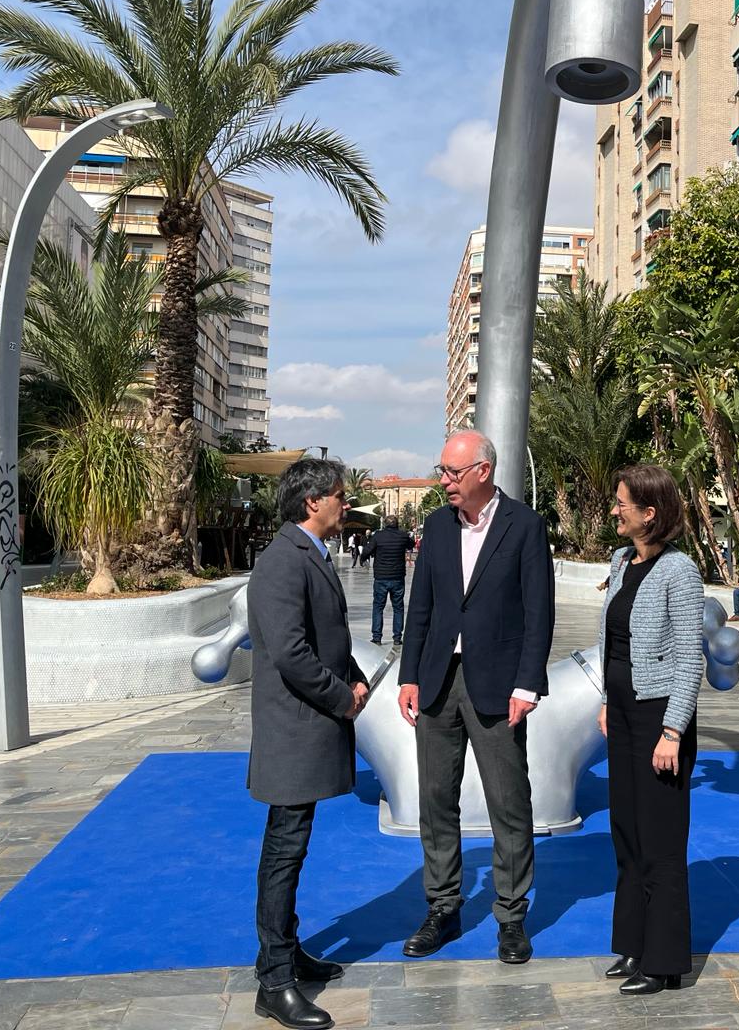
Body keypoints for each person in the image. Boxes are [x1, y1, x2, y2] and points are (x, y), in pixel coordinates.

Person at [398, 430, 554, 964]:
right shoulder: (437, 526)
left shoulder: (526, 526)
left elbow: (539, 613)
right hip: (438, 683)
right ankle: (442, 907)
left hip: (499, 687)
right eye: (441, 471)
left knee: (508, 803)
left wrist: (527, 684)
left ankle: (511, 916)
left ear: (483, 471)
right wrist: (409, 675)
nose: (443, 481)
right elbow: (422, 607)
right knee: (435, 799)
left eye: (452, 473)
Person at [245, 458, 369, 1030]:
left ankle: (288, 951)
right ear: (311, 502)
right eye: (340, 497)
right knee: (284, 849)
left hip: (309, 726)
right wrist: (343, 697)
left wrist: (356, 674)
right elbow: (292, 654)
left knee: (294, 844)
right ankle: (274, 981)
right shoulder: (280, 562)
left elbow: (329, 635)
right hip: (294, 729)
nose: (346, 504)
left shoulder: (310, 554)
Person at [598, 463, 705, 995]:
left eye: (622, 503)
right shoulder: (622, 562)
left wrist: (672, 731)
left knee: (660, 840)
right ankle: (634, 944)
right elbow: (613, 643)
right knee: (627, 833)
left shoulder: (679, 571)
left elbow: (691, 657)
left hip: (658, 716)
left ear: (650, 513)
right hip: (620, 712)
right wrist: (603, 698)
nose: (614, 510)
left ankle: (663, 962)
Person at [361, 516, 416, 645]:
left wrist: (362, 559)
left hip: (381, 577)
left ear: (385, 524)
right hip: (397, 577)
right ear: (397, 524)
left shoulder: (378, 536)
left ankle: (377, 637)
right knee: (398, 608)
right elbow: (411, 544)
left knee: (378, 607)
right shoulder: (402, 535)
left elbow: (367, 551)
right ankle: (397, 638)